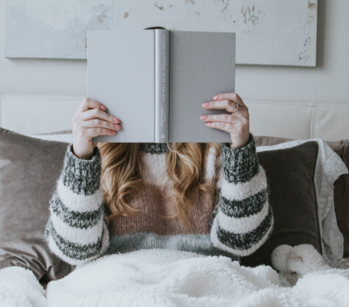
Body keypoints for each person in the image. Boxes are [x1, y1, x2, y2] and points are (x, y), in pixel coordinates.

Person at [44, 93, 274, 265]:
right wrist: (81, 158)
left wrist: (241, 151)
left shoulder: (218, 151)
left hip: (202, 280)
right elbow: (74, 248)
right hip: (118, 283)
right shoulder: (100, 153)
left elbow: (243, 241)